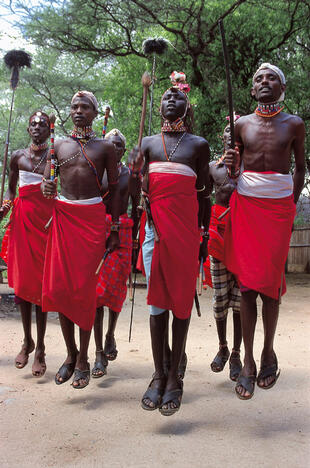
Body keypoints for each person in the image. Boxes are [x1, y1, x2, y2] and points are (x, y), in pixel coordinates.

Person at [224, 63, 305, 399]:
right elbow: (232, 172)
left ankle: (268, 352)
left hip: (277, 211)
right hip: (247, 208)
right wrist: (231, 167)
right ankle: (247, 362)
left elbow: (301, 167)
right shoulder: (241, 124)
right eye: (259, 78)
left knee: (271, 286)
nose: (265, 81)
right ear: (253, 90)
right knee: (246, 285)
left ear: (281, 86)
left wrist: (290, 203)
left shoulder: (295, 124)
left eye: (272, 77)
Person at [131, 71, 211, 416]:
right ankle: (159, 372)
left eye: (177, 97)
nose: (169, 100)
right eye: (165, 96)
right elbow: (137, 195)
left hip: (185, 235)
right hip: (154, 234)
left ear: (187, 107)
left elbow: (205, 196)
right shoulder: (147, 144)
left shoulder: (198, 145)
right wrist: (135, 172)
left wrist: (204, 236)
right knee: (156, 303)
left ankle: (175, 377)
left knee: (179, 302)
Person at [41, 91, 120, 389]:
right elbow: (50, 183)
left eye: (84, 106)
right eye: (74, 106)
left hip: (91, 222)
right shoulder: (58, 146)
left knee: (85, 292)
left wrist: (112, 230)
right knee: (61, 288)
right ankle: (70, 354)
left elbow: (115, 192)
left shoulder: (105, 149)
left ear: (94, 113)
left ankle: (85, 358)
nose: (78, 110)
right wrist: (47, 188)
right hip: (63, 219)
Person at [0, 111, 54, 377]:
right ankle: (27, 340)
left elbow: (62, 190)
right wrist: (5, 205)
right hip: (22, 223)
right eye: (32, 123)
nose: (36, 127)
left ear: (50, 128)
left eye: (42, 124)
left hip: (46, 225)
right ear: (28, 127)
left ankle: (42, 347)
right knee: (22, 288)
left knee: (41, 288)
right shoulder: (18, 156)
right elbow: (12, 188)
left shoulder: (55, 158)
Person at [92, 128, 141, 378]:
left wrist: (134, 240)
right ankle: (99, 353)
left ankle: (111, 333)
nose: (113, 149)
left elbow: (137, 207)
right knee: (96, 295)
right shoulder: (94, 172)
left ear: (123, 150)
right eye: (109, 145)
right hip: (95, 233)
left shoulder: (129, 176)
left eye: (118, 145)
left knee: (115, 291)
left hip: (122, 234)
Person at [208, 118, 242, 382]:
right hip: (218, 235)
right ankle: (221, 346)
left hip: (244, 239)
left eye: (237, 129)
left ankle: (237, 353)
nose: (231, 133)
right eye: (227, 129)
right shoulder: (213, 168)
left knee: (240, 302)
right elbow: (200, 198)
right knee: (220, 298)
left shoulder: (252, 169)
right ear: (222, 138)